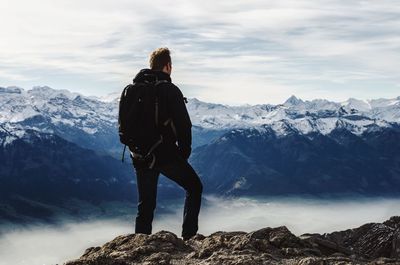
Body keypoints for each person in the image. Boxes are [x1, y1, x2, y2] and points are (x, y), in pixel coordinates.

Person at [130, 47, 203, 240]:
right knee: (195, 187)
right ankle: (188, 238)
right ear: (168, 66)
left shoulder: (135, 90)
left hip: (139, 154)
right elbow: (183, 125)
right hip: (165, 155)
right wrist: (183, 153)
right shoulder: (170, 90)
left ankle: (140, 245)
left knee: (145, 204)